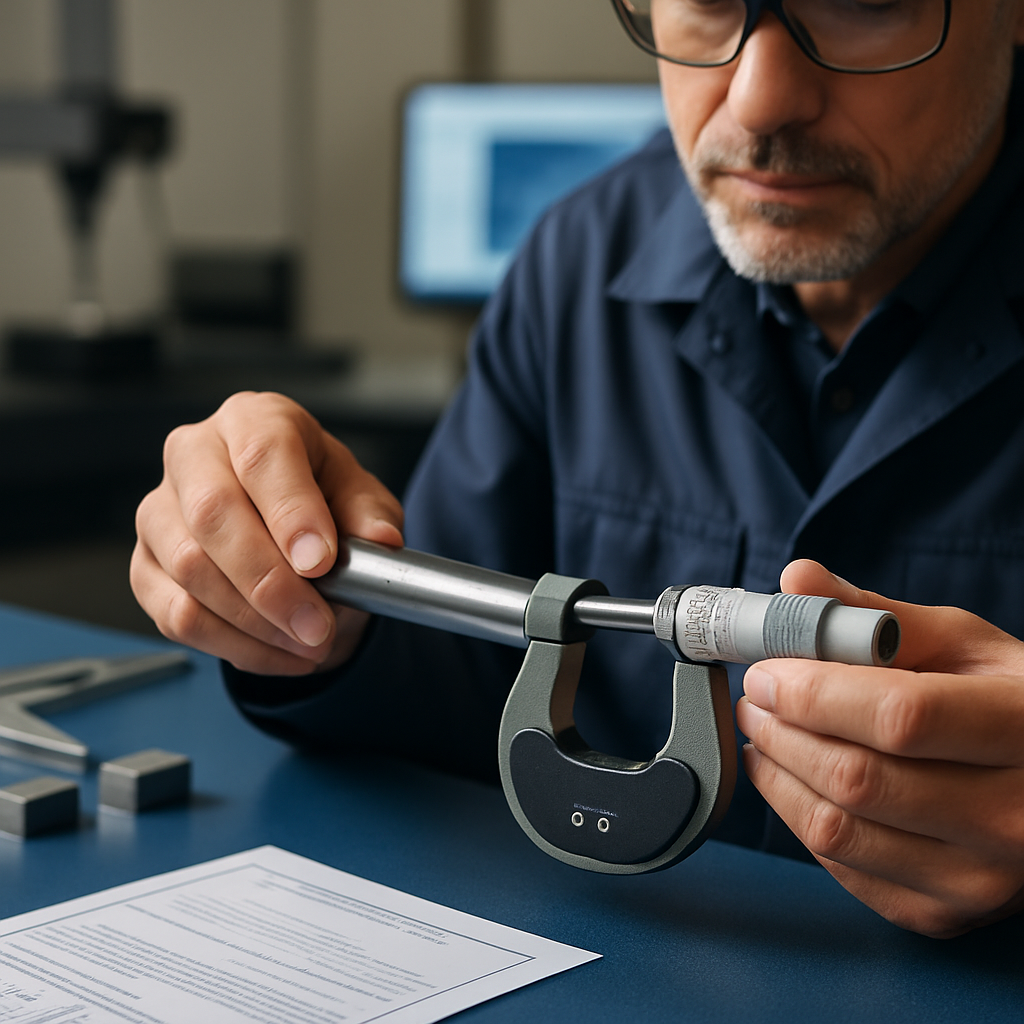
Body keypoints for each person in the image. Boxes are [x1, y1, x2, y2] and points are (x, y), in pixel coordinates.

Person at [131, 0, 1024, 938]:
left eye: (865, 2)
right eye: (707, 0)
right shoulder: (579, 257)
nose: (761, 100)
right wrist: (315, 607)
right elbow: (456, 685)